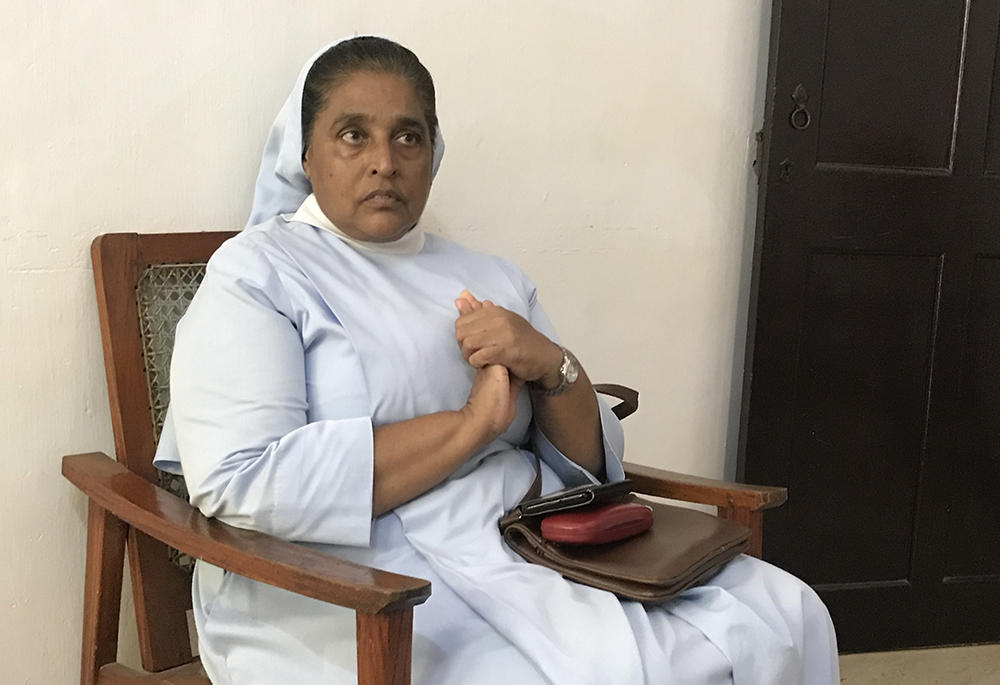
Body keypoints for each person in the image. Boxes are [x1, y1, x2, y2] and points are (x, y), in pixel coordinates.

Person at [154, 36, 839, 685]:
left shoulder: (488, 276)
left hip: (527, 541)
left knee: (787, 610)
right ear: (305, 153)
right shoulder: (257, 273)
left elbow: (587, 469)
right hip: (346, 577)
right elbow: (242, 481)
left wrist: (553, 365)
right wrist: (470, 426)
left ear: (433, 152)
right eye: (353, 133)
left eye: (408, 136)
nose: (384, 161)